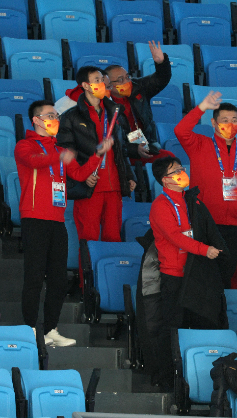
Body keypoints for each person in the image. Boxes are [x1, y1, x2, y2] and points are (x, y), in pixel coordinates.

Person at [15, 100, 102, 347]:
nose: (55, 118)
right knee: (34, 277)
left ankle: (50, 329)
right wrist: (58, 153)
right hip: (34, 220)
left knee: (57, 279)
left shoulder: (60, 148)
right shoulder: (25, 145)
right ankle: (29, 328)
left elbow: (80, 175)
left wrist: (98, 155)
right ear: (36, 120)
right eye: (49, 115)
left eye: (56, 114)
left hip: (57, 221)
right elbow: (35, 162)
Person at [149, 156, 228, 389]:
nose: (182, 172)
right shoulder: (161, 205)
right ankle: (168, 378)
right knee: (173, 327)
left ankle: (200, 379)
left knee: (201, 325)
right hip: (174, 275)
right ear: (165, 180)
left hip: (197, 275)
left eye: (182, 168)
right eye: (176, 171)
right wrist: (205, 250)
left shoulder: (192, 201)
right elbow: (175, 237)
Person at [174, 91, 237, 289]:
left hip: (233, 224)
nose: (231, 124)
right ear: (213, 123)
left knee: (226, 274)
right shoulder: (199, 145)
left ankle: (224, 318)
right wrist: (201, 107)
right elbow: (180, 130)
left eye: (235, 120)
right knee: (204, 275)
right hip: (204, 222)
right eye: (225, 120)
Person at [57, 65, 136, 245]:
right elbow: (66, 153)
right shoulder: (71, 117)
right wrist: (82, 178)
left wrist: (128, 176)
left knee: (113, 239)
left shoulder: (115, 112)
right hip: (89, 188)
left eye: (102, 79)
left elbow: (121, 149)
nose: (103, 83)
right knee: (88, 239)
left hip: (114, 186)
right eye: (97, 80)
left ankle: (109, 274)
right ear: (85, 85)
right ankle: (87, 274)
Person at [106, 40, 174, 165]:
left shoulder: (138, 87)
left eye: (127, 77)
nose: (126, 82)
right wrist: (133, 149)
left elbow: (160, 80)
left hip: (145, 145)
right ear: (109, 85)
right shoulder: (104, 103)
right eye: (120, 80)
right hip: (120, 153)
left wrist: (161, 63)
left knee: (170, 158)